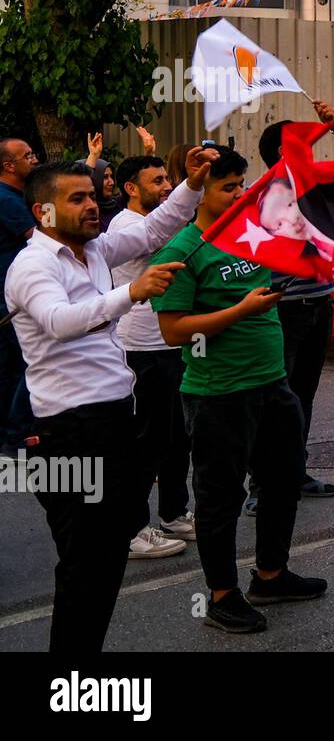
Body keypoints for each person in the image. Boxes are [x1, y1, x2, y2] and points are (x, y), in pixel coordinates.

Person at [4, 149, 214, 651]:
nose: (93, 206)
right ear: (43, 212)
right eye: (77, 198)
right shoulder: (32, 265)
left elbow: (152, 230)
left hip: (112, 421)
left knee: (104, 557)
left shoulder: (94, 249)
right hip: (69, 435)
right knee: (85, 563)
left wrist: (190, 184)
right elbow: (59, 321)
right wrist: (132, 293)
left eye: (94, 196)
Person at [152, 145, 328, 634]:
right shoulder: (183, 251)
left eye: (242, 185)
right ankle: (223, 596)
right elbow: (174, 330)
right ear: (199, 193)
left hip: (272, 384)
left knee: (282, 482)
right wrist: (239, 312)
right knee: (219, 497)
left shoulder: (248, 237)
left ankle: (271, 575)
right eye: (229, 188)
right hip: (217, 393)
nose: (240, 195)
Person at [252, 101, 334, 511]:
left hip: (318, 303)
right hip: (280, 309)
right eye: (303, 143)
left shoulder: (321, 185)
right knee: (272, 398)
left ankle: (294, 472)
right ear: (283, 154)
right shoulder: (259, 196)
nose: (313, 150)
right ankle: (260, 485)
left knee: (302, 396)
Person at [108, 155, 195, 560]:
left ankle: (175, 513)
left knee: (177, 439)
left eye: (167, 179)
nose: (165, 186)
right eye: (156, 181)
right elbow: (167, 233)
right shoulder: (126, 228)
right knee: (146, 442)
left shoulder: (162, 218)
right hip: (141, 348)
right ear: (130, 188)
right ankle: (132, 529)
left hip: (172, 344)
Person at [0, 138, 38, 443]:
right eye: (28, 156)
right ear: (8, 166)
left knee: (13, 365)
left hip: (11, 294)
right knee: (33, 359)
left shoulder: (16, 195)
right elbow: (37, 236)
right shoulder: (6, 198)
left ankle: (10, 434)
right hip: (12, 297)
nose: (34, 159)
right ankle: (16, 434)